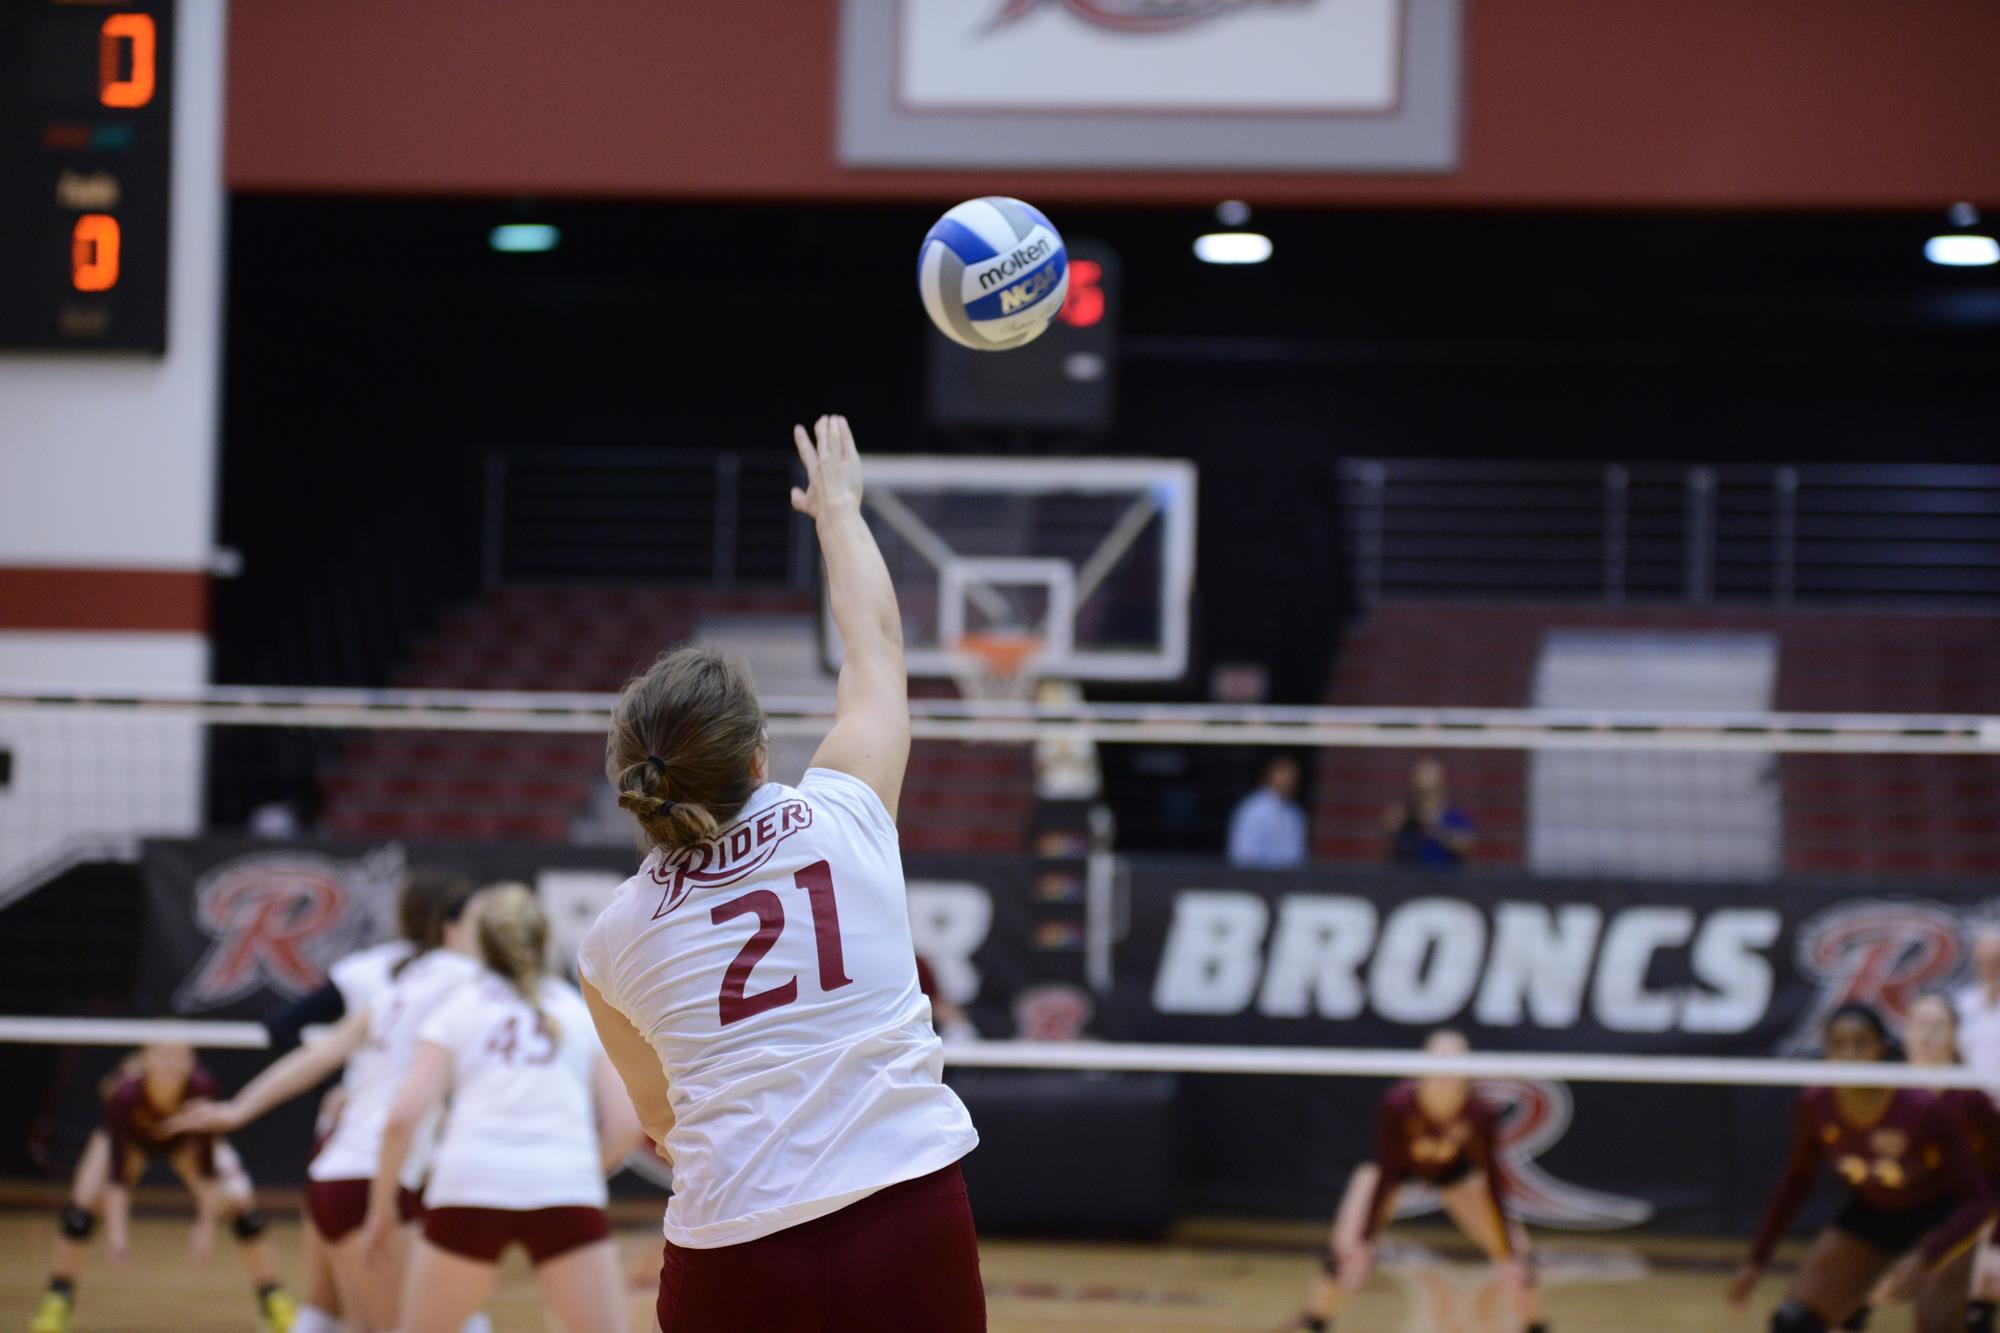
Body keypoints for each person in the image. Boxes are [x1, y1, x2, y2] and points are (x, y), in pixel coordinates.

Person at [579, 415, 984, 1332]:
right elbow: (876, 645)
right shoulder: (845, 815)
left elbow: (660, 1120)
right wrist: (837, 510)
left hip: (736, 1242)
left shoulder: (613, 939)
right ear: (759, 758)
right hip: (906, 1212)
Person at [169, 877, 484, 1333]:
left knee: (361, 1321)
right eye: (480, 920)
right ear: (450, 928)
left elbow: (319, 1054)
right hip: (376, 1175)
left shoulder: (401, 985)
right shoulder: (466, 979)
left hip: (338, 1172)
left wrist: (239, 1108)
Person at [362, 884, 642, 1333]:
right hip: (563, 1186)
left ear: (482, 941)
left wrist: (380, 1211)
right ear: (544, 939)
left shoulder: (457, 1007)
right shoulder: (575, 1009)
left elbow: (402, 1117)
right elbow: (627, 1123)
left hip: (469, 1184)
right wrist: (580, 1172)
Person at [1727, 1002, 1995, 1333]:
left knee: (1939, 1324)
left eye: (1861, 1043)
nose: (1849, 1054)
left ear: (1882, 1047)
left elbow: (1979, 1199)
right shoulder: (1817, 1103)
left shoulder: (1922, 1107)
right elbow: (1795, 1182)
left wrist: (1927, 1257)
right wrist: (1757, 1260)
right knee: (1794, 1321)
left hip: (1940, 1218)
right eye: (1838, 1044)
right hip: (1876, 1211)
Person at [28, 1044, 296, 1333]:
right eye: (162, 1056)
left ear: (191, 1063)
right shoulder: (125, 1094)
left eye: (179, 1057)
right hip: (131, 1141)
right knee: (81, 1212)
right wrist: (117, 1233)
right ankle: (58, 1298)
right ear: (145, 1061)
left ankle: (273, 1297)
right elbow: (118, 1176)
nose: (171, 1064)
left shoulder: (201, 1088)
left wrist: (204, 1227)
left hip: (184, 1141)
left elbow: (207, 1170)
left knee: (244, 1211)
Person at [1290, 1030, 1545, 1333]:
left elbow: (1491, 1178)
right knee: (1347, 1247)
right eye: (1438, 1059)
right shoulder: (1397, 1104)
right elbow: (1385, 1170)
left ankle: (1535, 1325)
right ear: (1423, 1064)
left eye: (1455, 1061)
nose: (1446, 1068)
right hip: (1394, 1173)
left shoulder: (1480, 1112)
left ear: (1467, 1068)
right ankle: (1317, 1317)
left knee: (1517, 1253)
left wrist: (1507, 1253)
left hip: (1457, 1178)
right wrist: (1364, 1241)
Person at [1899, 995, 2000, 1332]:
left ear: (1955, 1036)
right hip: (1900, 1223)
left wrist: (1995, 1247)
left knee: (1942, 1318)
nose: (1927, 1036)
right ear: (1906, 1033)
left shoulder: (1972, 1101)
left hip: (1967, 1226)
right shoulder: (1887, 1096)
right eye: (1920, 1026)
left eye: (1938, 1027)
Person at [1384, 756, 1475, 867]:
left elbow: (1466, 846)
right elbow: (1389, 829)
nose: (1421, 777)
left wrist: (1435, 828)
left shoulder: (1455, 816)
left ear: (1441, 778)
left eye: (1427, 773)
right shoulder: (1404, 813)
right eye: (1419, 772)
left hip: (1445, 878)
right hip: (1409, 877)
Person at [1227, 755, 1309, 868]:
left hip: (1291, 881)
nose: (1287, 779)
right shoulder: (1254, 809)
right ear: (1270, 775)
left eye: (1291, 775)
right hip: (1259, 880)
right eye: (1282, 773)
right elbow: (1243, 855)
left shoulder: (1295, 812)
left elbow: (1298, 855)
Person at [1957, 928, 2000, 1097]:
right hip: (1972, 1108)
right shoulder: (1962, 1004)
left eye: (1997, 961)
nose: (1990, 969)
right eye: (1983, 962)